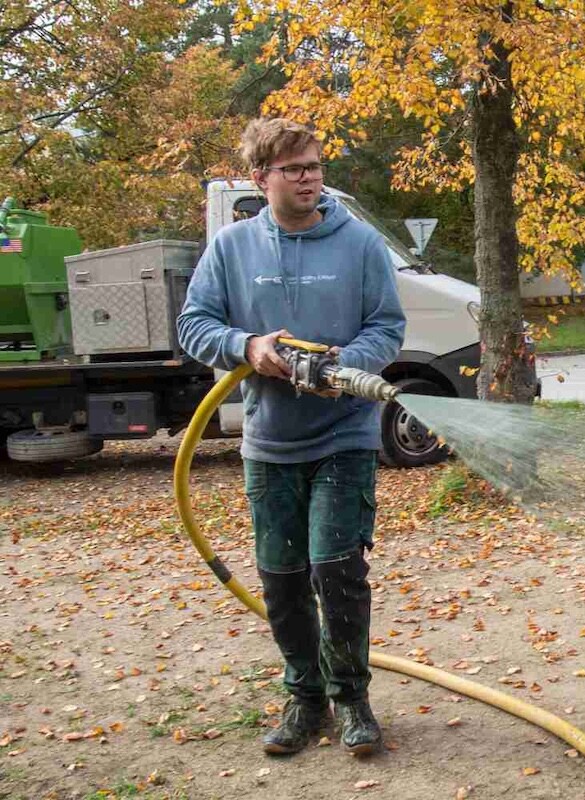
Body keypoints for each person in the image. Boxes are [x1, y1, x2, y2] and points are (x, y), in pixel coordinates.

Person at [177, 118, 406, 757]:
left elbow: (386, 326)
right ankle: (304, 698)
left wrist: (343, 368)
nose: (309, 179)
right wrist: (246, 345)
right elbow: (194, 325)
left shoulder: (360, 244)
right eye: (294, 169)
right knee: (281, 578)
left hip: (343, 433)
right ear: (262, 178)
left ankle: (352, 699)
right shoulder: (232, 248)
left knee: (337, 569)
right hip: (270, 440)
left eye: (315, 166)